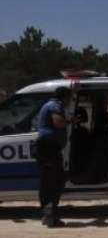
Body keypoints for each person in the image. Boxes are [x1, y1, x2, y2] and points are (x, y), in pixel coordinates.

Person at [33, 86, 70, 227]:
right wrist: (69, 122)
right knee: (53, 181)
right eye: (69, 97)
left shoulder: (49, 104)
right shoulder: (55, 105)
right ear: (64, 97)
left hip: (47, 147)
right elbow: (58, 122)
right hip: (48, 147)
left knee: (51, 180)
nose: (70, 101)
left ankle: (48, 215)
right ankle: (49, 216)